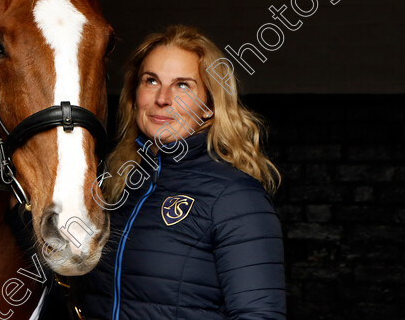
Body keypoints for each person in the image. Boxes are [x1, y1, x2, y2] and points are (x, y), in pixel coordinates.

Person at [70, 25, 286, 320]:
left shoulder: (236, 197)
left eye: (183, 85)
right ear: (135, 95)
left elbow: (259, 315)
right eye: (151, 81)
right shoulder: (117, 187)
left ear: (209, 105)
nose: (163, 98)